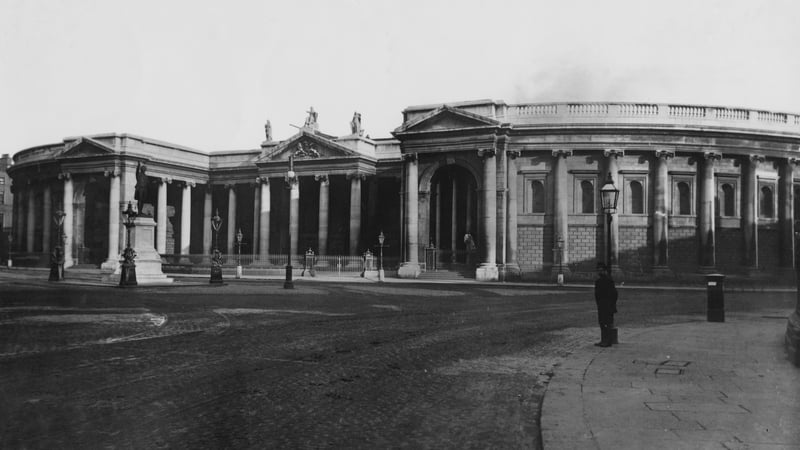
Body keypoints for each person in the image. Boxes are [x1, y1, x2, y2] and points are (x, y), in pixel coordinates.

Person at [594, 262, 618, 347]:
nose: (599, 272)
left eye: (601, 270)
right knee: (602, 322)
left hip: (607, 304)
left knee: (607, 323)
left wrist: (612, 304)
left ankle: (607, 341)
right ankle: (604, 340)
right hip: (602, 305)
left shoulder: (608, 280)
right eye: (598, 270)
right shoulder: (599, 281)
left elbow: (614, 294)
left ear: (605, 271)